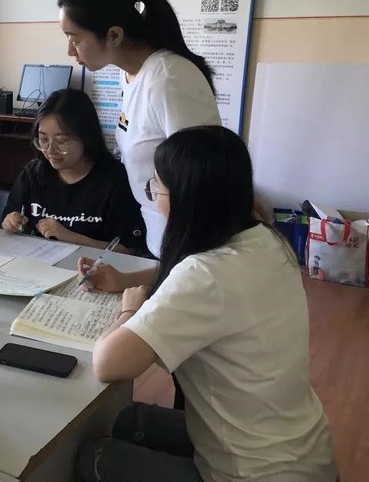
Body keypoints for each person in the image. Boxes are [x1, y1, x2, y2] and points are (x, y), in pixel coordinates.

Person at [75, 126, 337, 482]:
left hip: (254, 473)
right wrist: (126, 280)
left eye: (157, 187)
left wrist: (130, 309)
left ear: (187, 199)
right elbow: (199, 279)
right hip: (304, 453)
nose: (154, 196)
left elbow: (108, 363)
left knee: (92, 456)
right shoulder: (266, 240)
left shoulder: (204, 275)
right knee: (127, 420)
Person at [58, 0, 221, 258]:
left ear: (114, 35)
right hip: (160, 239)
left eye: (75, 38)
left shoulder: (170, 79)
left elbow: (201, 181)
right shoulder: (132, 74)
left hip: (190, 247)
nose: (70, 50)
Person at [0, 88, 145, 252]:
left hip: (94, 266)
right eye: (43, 140)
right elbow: (8, 218)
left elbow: (130, 250)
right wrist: (10, 222)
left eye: (61, 141)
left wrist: (70, 237)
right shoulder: (33, 174)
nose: (50, 150)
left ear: (86, 137)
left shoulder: (116, 180)